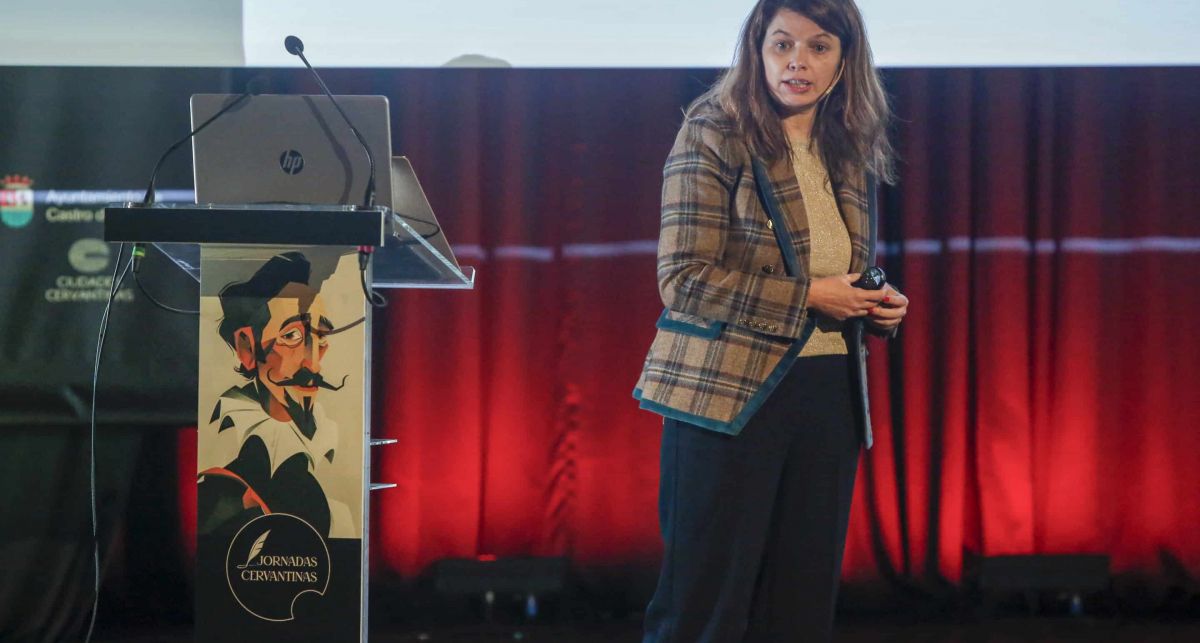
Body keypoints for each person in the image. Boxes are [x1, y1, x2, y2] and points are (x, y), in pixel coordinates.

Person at [632, 1, 909, 640]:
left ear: (845, 62)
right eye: (782, 44)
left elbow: (836, 271)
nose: (797, 63)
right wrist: (810, 297)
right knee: (703, 609)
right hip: (727, 395)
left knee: (799, 611)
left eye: (818, 47)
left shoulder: (846, 145)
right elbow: (684, 280)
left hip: (828, 396)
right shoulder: (713, 129)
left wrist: (875, 303)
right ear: (757, 49)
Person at [197, 251, 360, 539]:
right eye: (292, 336)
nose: (312, 362)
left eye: (320, 337)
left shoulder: (336, 513)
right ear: (247, 347)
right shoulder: (225, 496)